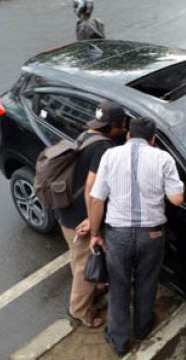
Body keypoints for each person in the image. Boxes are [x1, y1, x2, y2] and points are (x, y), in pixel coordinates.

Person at [88, 117, 185, 356]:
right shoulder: (163, 158)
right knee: (147, 282)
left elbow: (96, 198)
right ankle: (143, 328)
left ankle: (119, 341)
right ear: (153, 140)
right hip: (151, 235)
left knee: (119, 287)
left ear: (128, 135)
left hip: (118, 235)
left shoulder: (110, 156)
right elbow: (177, 199)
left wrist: (94, 234)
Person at [58, 101, 126, 329]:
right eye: (122, 126)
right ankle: (79, 310)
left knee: (78, 258)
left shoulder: (88, 134)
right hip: (79, 216)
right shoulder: (102, 148)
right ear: (116, 126)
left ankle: (92, 289)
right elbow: (92, 187)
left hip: (65, 207)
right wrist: (92, 222)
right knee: (84, 262)